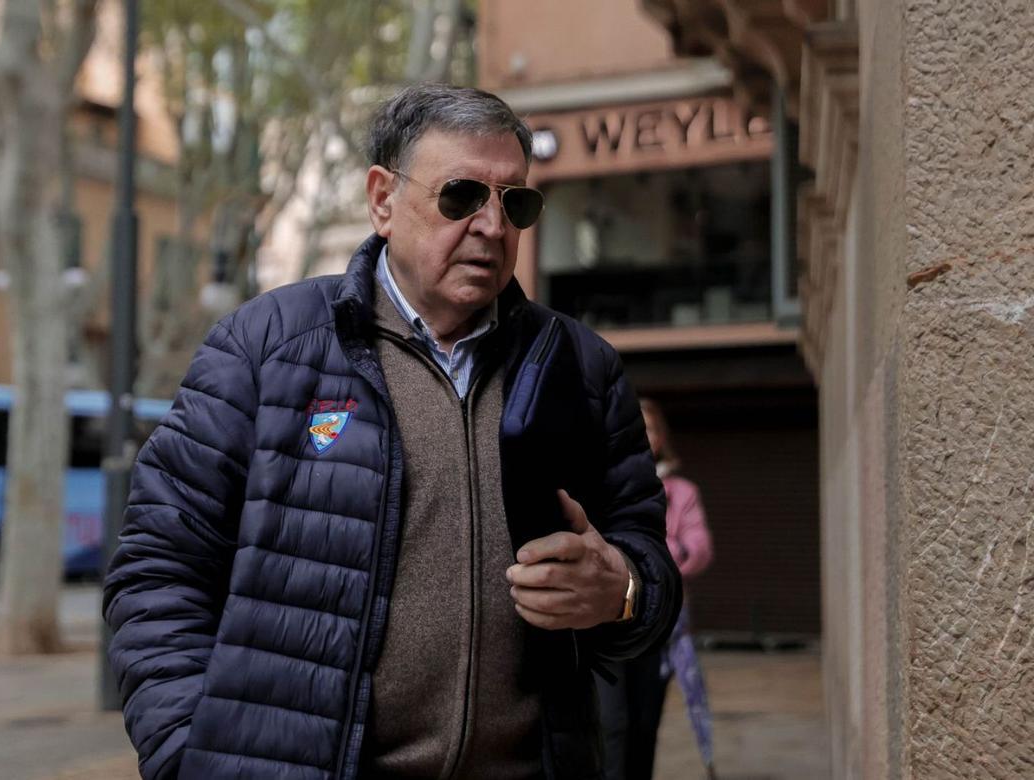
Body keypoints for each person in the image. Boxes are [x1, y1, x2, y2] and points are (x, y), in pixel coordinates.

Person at [103, 83, 682, 780]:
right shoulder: (264, 350)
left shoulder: (582, 370)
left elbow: (650, 573)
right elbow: (157, 574)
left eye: (515, 203)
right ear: (383, 199)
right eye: (461, 196)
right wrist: (186, 755)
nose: (492, 228)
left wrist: (620, 592)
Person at [597, 399, 715, 780]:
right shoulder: (602, 484)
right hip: (607, 622)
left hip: (656, 626)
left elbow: (699, 550)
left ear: (660, 437)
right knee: (610, 727)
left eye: (647, 427)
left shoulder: (681, 492)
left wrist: (652, 560)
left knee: (644, 729)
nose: (640, 434)